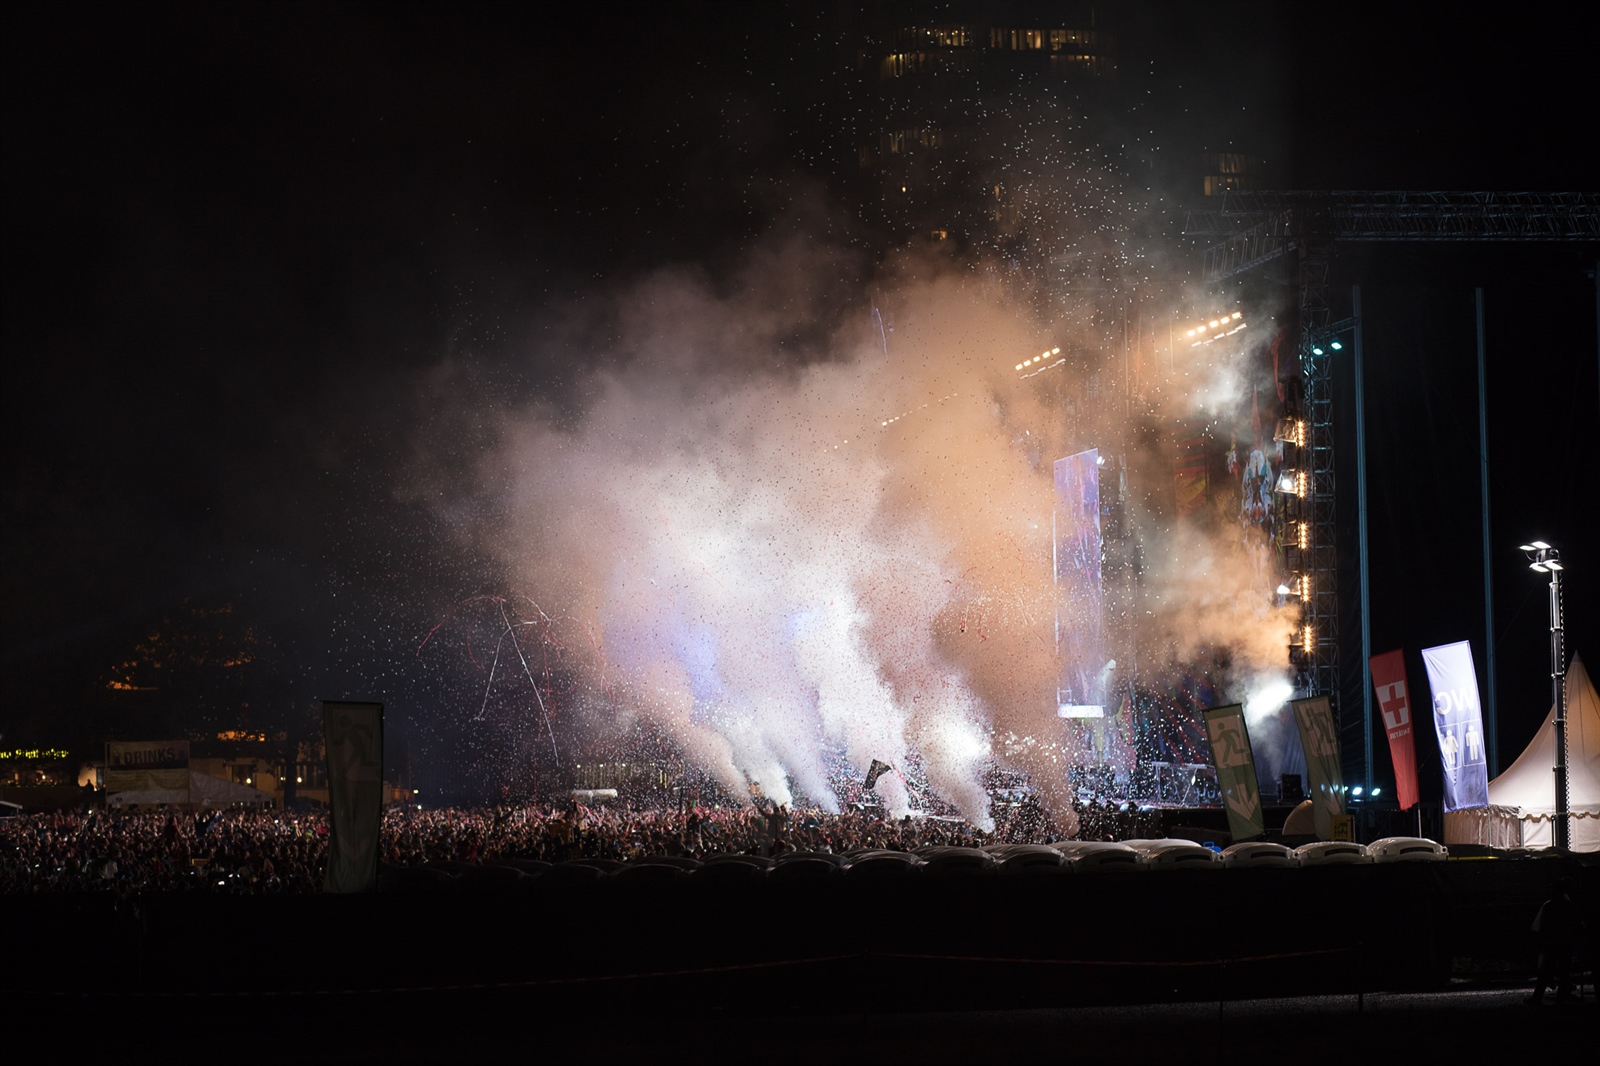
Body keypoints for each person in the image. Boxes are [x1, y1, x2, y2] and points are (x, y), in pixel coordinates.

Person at [1527, 875, 1583, 1005]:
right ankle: (1561, 998)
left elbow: (1539, 927)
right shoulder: (1571, 906)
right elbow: (1578, 926)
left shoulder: (1548, 906)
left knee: (1545, 971)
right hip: (1566, 943)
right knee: (1564, 972)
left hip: (1551, 943)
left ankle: (1537, 998)